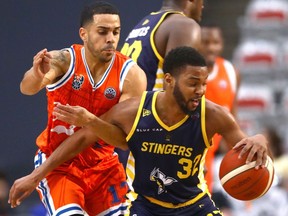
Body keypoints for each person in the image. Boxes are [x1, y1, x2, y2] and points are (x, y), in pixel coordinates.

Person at [9, 46, 270, 215]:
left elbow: (245, 145)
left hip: (194, 206)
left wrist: (259, 139)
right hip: (146, 207)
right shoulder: (134, 111)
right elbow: (82, 138)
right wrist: (36, 175)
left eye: (203, 83)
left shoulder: (212, 115)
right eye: (193, 84)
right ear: (169, 80)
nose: (201, 91)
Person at [9, 1, 146, 216]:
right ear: (83, 33)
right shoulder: (63, 60)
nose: (110, 38)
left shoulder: (131, 75)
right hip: (58, 165)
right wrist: (36, 74)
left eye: (116, 32)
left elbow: (123, 141)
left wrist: (90, 121)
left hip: (104, 168)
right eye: (102, 31)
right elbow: (27, 88)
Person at [118, 0, 205, 167]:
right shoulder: (184, 26)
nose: (204, 4)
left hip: (125, 138)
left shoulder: (143, 25)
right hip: (150, 146)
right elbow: (178, 98)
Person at [199, 25, 241, 193]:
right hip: (190, 149)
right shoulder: (187, 73)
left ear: (222, 44)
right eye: (205, 42)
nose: (210, 47)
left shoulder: (231, 72)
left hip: (214, 156)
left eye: (215, 42)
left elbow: (233, 116)